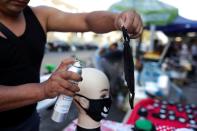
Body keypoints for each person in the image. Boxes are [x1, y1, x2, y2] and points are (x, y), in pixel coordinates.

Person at [0, 0, 143, 130]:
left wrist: (116, 19)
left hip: (29, 119)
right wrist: (43, 90)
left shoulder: (40, 15)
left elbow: (86, 21)